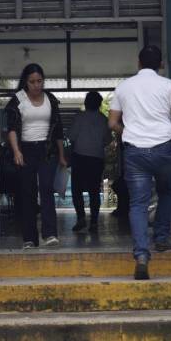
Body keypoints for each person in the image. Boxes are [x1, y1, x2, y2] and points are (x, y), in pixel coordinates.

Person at [109, 45, 171, 280]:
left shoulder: (124, 87)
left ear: (139, 63)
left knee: (137, 203)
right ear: (161, 64)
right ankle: (162, 239)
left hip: (135, 152)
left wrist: (128, 132)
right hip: (164, 149)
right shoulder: (168, 85)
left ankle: (142, 255)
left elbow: (112, 123)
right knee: (165, 191)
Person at [5, 63, 67, 249]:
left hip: (47, 150)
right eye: (32, 82)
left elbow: (58, 131)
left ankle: (50, 234)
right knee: (27, 193)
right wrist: (16, 151)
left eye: (40, 81)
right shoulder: (18, 100)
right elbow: (12, 129)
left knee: (47, 189)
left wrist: (62, 155)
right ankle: (29, 238)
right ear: (26, 82)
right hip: (25, 150)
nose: (36, 85)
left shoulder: (51, 100)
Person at [68, 90, 112, 234]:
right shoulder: (103, 119)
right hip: (96, 159)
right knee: (94, 191)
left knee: (76, 190)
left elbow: (72, 136)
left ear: (86, 103)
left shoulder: (79, 117)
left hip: (80, 157)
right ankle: (93, 221)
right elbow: (108, 140)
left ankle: (81, 218)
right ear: (99, 104)